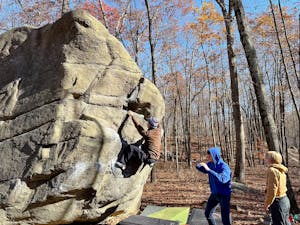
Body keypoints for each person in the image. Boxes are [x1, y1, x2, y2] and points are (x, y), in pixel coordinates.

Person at [195, 147, 232, 225]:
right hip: (214, 194)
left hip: (224, 195)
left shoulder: (224, 167)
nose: (208, 157)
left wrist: (209, 170)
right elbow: (202, 168)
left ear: (215, 156)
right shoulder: (210, 164)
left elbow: (223, 179)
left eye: (210, 156)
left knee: (225, 220)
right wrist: (199, 165)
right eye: (208, 155)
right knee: (207, 214)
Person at [264, 151, 291, 225]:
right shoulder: (281, 170)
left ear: (271, 159)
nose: (265, 159)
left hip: (278, 202)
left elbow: (272, 189)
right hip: (285, 200)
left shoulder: (272, 171)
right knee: (286, 222)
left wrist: (267, 203)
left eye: (266, 157)